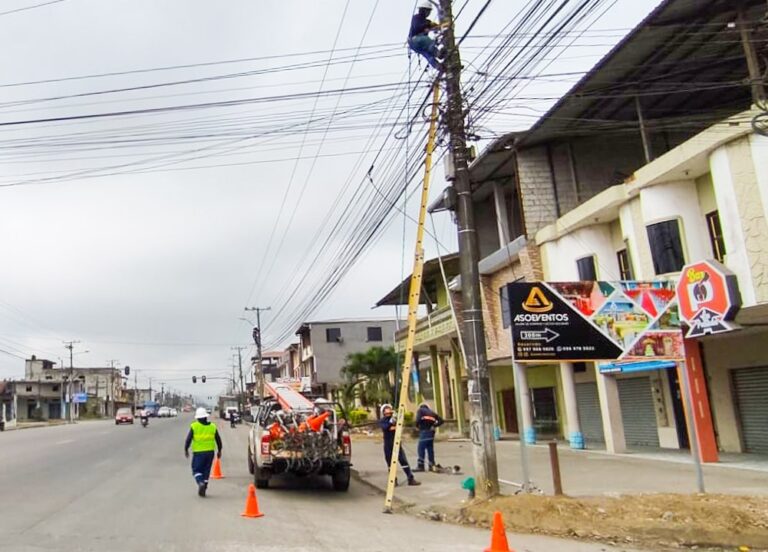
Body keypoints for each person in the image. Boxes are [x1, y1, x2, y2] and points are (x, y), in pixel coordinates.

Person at [184, 407, 223, 497]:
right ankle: (204, 486)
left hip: (198, 453)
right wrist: (219, 450)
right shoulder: (212, 427)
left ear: (197, 418)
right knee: (206, 470)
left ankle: (200, 483)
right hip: (210, 453)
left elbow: (188, 439)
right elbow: (218, 440)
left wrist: (186, 449)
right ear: (206, 417)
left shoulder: (194, 426)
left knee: (196, 469)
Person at [378, 404, 420, 486]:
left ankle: (410, 478)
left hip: (397, 443)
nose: (389, 409)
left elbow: (400, 426)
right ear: (383, 412)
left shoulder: (395, 418)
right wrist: (391, 422)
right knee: (390, 464)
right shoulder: (383, 420)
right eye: (386, 409)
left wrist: (398, 416)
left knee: (403, 461)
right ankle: (393, 481)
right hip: (388, 445)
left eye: (389, 408)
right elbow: (385, 427)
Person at [408, 1, 442, 69]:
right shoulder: (416, 18)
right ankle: (438, 54)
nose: (428, 13)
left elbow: (432, 27)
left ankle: (438, 66)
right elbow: (418, 26)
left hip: (417, 45)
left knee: (427, 54)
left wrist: (438, 28)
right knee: (427, 41)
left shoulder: (425, 21)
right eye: (428, 11)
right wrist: (429, 24)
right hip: (414, 40)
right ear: (423, 10)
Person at [414, 402, 444, 472]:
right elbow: (441, 421)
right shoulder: (432, 412)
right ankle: (431, 465)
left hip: (424, 431)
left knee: (421, 448)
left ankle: (420, 466)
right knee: (430, 449)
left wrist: (417, 426)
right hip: (431, 432)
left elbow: (418, 420)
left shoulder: (420, 410)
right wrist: (434, 426)